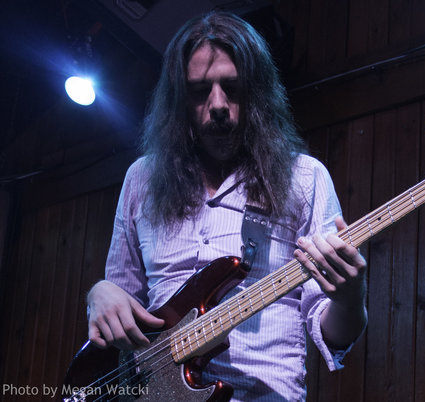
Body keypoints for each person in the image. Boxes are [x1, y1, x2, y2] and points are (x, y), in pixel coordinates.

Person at [86, 11, 367, 401]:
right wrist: (99, 294)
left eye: (232, 88)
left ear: (257, 94)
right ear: (179, 100)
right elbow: (122, 301)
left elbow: (333, 332)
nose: (217, 104)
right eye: (200, 91)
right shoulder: (142, 179)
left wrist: (349, 296)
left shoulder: (304, 177)